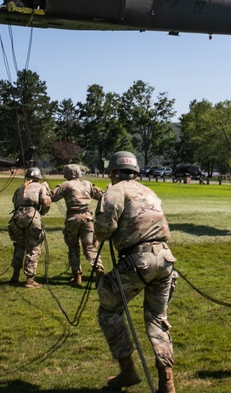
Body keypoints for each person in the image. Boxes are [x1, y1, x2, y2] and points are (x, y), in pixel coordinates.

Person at [94, 150, 177, 393]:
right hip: (165, 258)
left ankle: (128, 371)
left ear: (113, 172)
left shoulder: (115, 191)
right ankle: (167, 383)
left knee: (109, 308)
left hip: (138, 260)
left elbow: (103, 230)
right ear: (135, 171)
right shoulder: (148, 191)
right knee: (157, 319)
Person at [50, 163, 105, 285]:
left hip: (73, 219)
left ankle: (77, 276)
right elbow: (103, 195)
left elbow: (52, 197)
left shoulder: (66, 185)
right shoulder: (88, 184)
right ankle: (98, 268)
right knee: (90, 247)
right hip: (88, 219)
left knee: (73, 247)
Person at [8, 167, 51, 289]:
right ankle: (30, 279)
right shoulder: (40, 187)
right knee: (33, 246)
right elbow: (46, 202)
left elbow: (15, 202)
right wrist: (41, 213)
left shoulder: (20, 188)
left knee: (19, 245)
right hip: (32, 216)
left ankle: (15, 276)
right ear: (38, 178)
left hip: (17, 217)